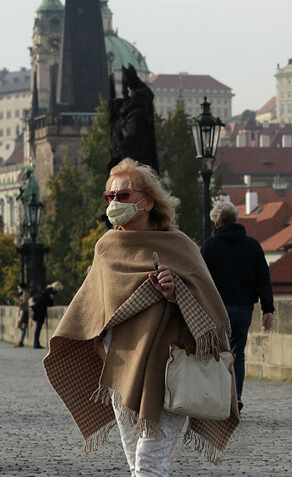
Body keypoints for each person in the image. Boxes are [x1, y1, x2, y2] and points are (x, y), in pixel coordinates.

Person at [43, 158, 239, 474]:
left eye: (123, 195)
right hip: (122, 370)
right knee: (137, 462)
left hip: (169, 370)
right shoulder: (106, 247)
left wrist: (178, 293)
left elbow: (212, 313)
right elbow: (92, 310)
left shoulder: (180, 246)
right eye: (110, 196)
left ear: (147, 201)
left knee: (150, 462)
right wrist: (101, 351)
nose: (114, 203)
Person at [201, 200, 275, 411]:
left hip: (217, 308)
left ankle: (218, 397)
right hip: (243, 308)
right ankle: (236, 396)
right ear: (235, 219)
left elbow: (201, 279)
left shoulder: (210, 246)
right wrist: (267, 308)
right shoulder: (252, 245)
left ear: (216, 223)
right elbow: (263, 278)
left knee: (214, 353)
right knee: (237, 354)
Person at [29, 281, 61, 348]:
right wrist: (52, 299)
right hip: (40, 310)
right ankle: (36, 343)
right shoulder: (50, 291)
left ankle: (36, 343)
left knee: (38, 327)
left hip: (39, 310)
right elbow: (49, 304)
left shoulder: (47, 290)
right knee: (38, 327)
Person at [12, 282, 29, 347]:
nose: (18, 289)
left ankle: (20, 341)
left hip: (24, 312)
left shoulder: (25, 294)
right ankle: (20, 341)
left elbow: (23, 303)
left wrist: (16, 300)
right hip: (22, 311)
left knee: (23, 326)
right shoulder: (23, 294)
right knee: (21, 327)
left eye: (19, 288)